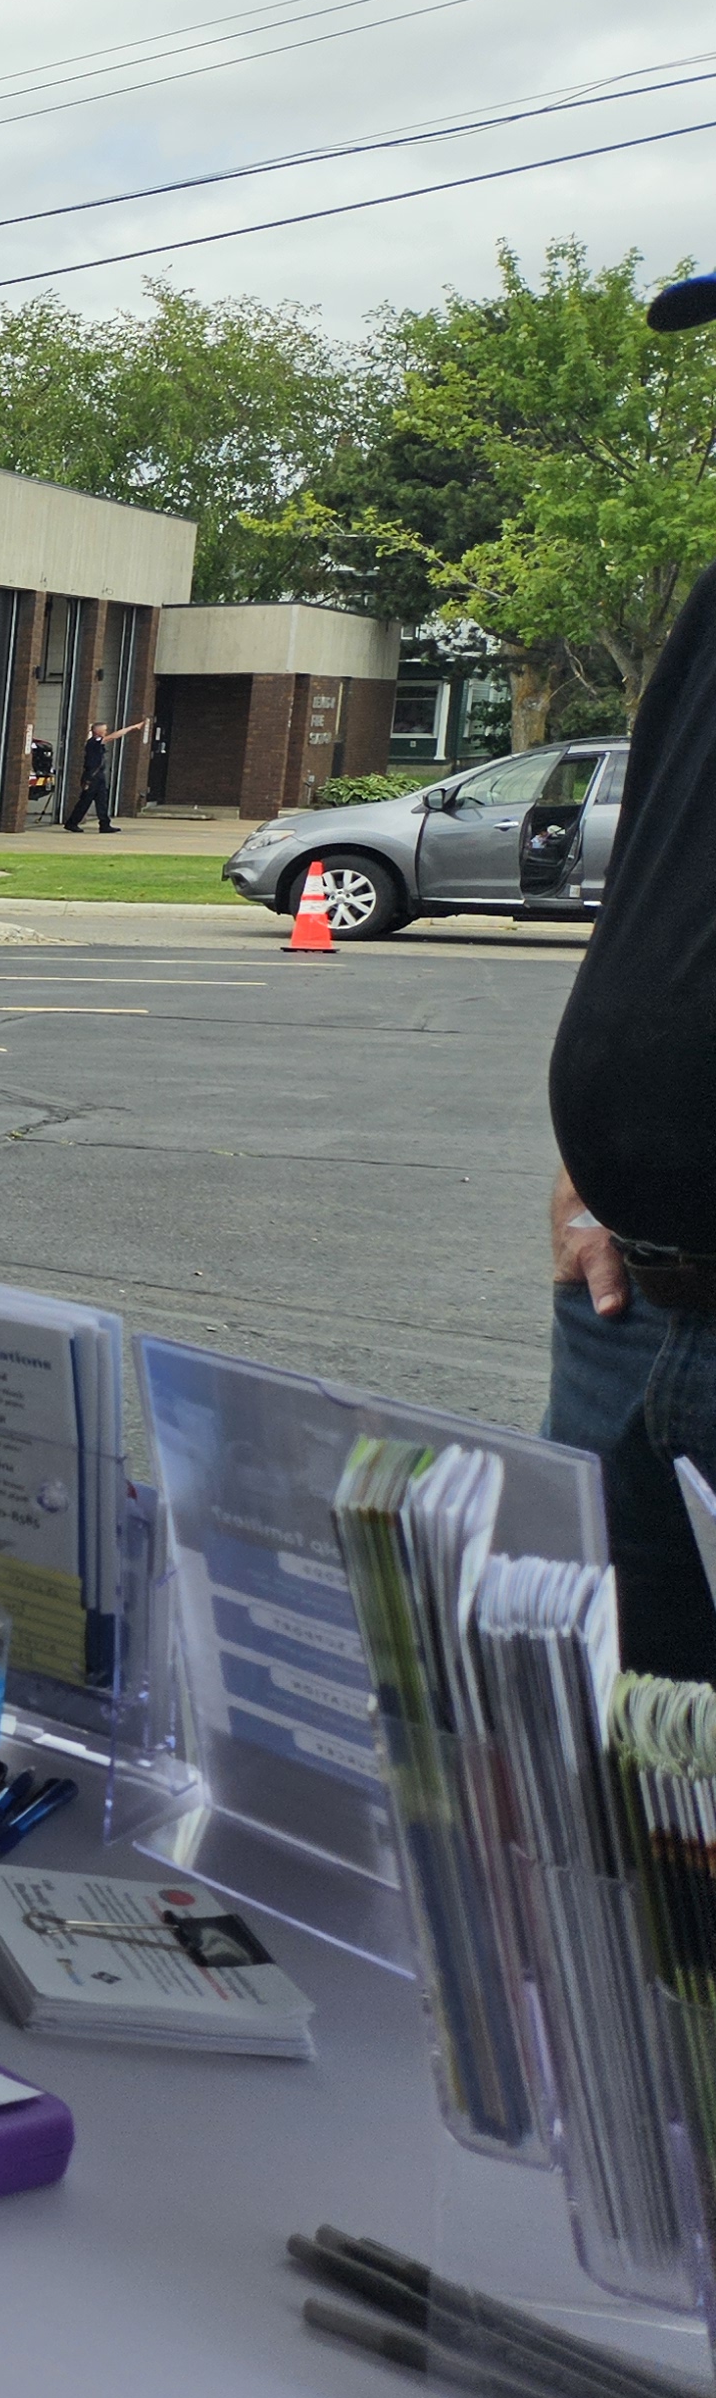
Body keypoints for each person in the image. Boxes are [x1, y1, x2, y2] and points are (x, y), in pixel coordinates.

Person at [542, 261, 716, 1683]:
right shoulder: (712, 615)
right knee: (607, 1760)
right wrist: (586, 1165)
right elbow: (652, 924)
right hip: (625, 1307)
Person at [62, 714, 147, 832]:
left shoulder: (96, 742)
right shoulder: (93, 742)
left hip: (99, 776)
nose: (106, 732)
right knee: (85, 801)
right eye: (105, 730)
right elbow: (112, 737)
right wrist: (131, 728)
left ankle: (104, 824)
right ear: (98, 732)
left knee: (102, 801)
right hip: (92, 777)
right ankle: (72, 823)